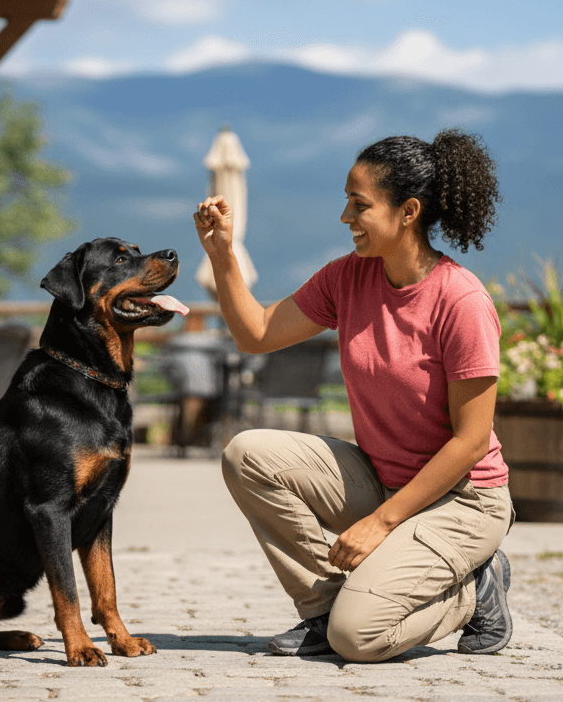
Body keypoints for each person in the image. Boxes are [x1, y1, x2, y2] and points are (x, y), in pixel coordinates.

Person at [193, 128, 514, 662]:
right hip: (382, 479)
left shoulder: (462, 302)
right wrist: (222, 253)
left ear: (408, 212)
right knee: (247, 455)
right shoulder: (348, 277)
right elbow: (257, 335)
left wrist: (380, 524)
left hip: (463, 499)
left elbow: (471, 443)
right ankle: (323, 610)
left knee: (357, 638)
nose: (345, 217)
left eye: (359, 205)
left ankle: (472, 589)